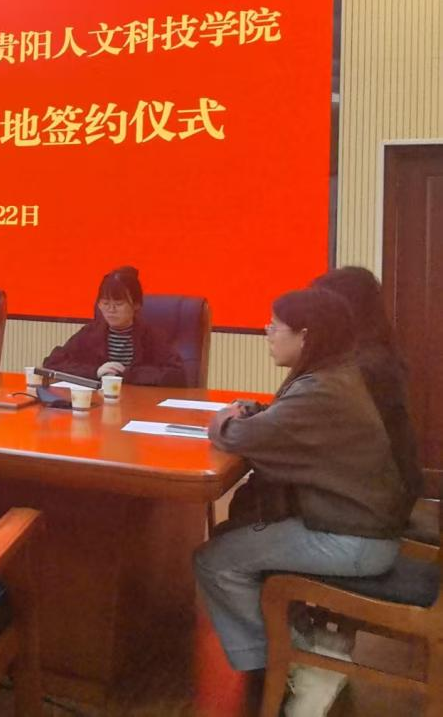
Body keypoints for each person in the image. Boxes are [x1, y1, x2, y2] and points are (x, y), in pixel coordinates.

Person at [193, 288, 408, 716]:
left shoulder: (321, 389)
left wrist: (224, 416)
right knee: (235, 538)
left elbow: (236, 436)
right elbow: (281, 422)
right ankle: (306, 648)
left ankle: (290, 664)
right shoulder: (333, 375)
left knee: (215, 561)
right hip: (356, 526)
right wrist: (255, 411)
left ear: (306, 335)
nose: (267, 332)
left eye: (276, 326)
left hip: (353, 540)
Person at [311, 266, 422, 516]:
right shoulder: (373, 354)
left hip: (368, 503)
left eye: (318, 307)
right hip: (380, 490)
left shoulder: (362, 368)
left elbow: (308, 427)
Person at [42, 265, 185, 385]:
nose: (111, 310)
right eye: (105, 303)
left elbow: (177, 375)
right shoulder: (90, 333)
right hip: (99, 402)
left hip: (139, 402)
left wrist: (127, 374)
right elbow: (52, 363)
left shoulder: (151, 336)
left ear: (136, 304)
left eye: (119, 304)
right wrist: (95, 372)